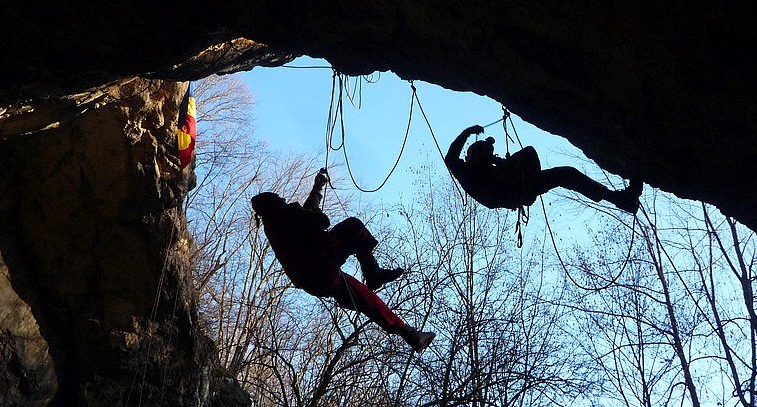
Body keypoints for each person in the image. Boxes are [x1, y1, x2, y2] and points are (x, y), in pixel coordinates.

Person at [251, 168, 436, 353]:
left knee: (365, 297)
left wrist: (317, 188)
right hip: (321, 264)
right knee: (353, 227)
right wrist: (311, 210)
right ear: (273, 203)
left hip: (316, 282)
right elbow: (321, 221)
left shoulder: (275, 224)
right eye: (279, 198)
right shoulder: (286, 215)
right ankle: (373, 273)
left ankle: (410, 334)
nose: (283, 199)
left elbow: (307, 214)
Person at [445, 125, 643, 213]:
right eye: (484, 152)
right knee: (540, 159)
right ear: (473, 155)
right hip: (516, 191)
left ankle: (620, 199)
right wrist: (467, 132)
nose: (488, 155)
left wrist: (503, 164)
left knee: (566, 173)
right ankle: (621, 199)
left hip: (518, 189)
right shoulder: (467, 172)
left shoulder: (487, 168)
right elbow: (450, 157)